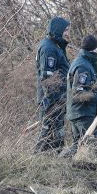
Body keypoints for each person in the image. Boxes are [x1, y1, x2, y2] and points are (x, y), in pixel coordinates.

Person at [62, 35, 97, 158]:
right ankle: (90, 172)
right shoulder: (83, 66)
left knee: (78, 146)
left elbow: (88, 88)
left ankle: (62, 165)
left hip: (79, 111)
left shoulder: (84, 62)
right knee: (94, 147)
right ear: (95, 49)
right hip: (82, 113)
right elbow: (79, 93)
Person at [35, 16, 71, 153]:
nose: (68, 33)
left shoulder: (57, 47)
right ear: (58, 30)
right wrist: (52, 100)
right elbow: (47, 78)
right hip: (51, 100)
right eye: (66, 30)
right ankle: (36, 160)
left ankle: (54, 162)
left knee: (57, 134)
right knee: (47, 133)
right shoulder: (48, 48)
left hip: (60, 99)